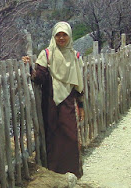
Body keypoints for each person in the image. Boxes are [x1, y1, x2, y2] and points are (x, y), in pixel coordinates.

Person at [22, 21, 84, 178]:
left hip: (68, 102)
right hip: (50, 102)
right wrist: (29, 66)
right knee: (53, 136)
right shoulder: (47, 54)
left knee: (70, 136)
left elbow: (78, 85)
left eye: (64, 35)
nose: (61, 38)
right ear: (54, 36)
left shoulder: (75, 56)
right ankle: (55, 173)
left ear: (69, 36)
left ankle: (72, 172)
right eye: (58, 35)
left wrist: (81, 105)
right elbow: (38, 78)